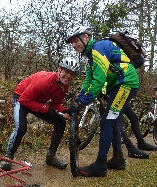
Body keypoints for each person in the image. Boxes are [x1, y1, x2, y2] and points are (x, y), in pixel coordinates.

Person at [65, 26, 143, 177]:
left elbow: (99, 81)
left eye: (76, 40)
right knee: (111, 121)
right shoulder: (91, 56)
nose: (74, 45)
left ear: (86, 37)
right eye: (72, 43)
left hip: (126, 83)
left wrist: (82, 102)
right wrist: (78, 100)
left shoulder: (98, 48)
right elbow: (89, 80)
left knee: (107, 121)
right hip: (119, 85)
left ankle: (100, 166)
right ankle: (118, 159)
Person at [0, 57, 80, 171]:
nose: (68, 76)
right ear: (59, 70)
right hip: (21, 98)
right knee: (21, 128)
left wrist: (64, 111)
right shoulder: (44, 80)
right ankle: (8, 157)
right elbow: (24, 100)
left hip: (37, 101)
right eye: (66, 72)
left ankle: (50, 157)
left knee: (60, 122)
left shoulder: (64, 86)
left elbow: (56, 104)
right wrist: (45, 108)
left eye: (72, 74)